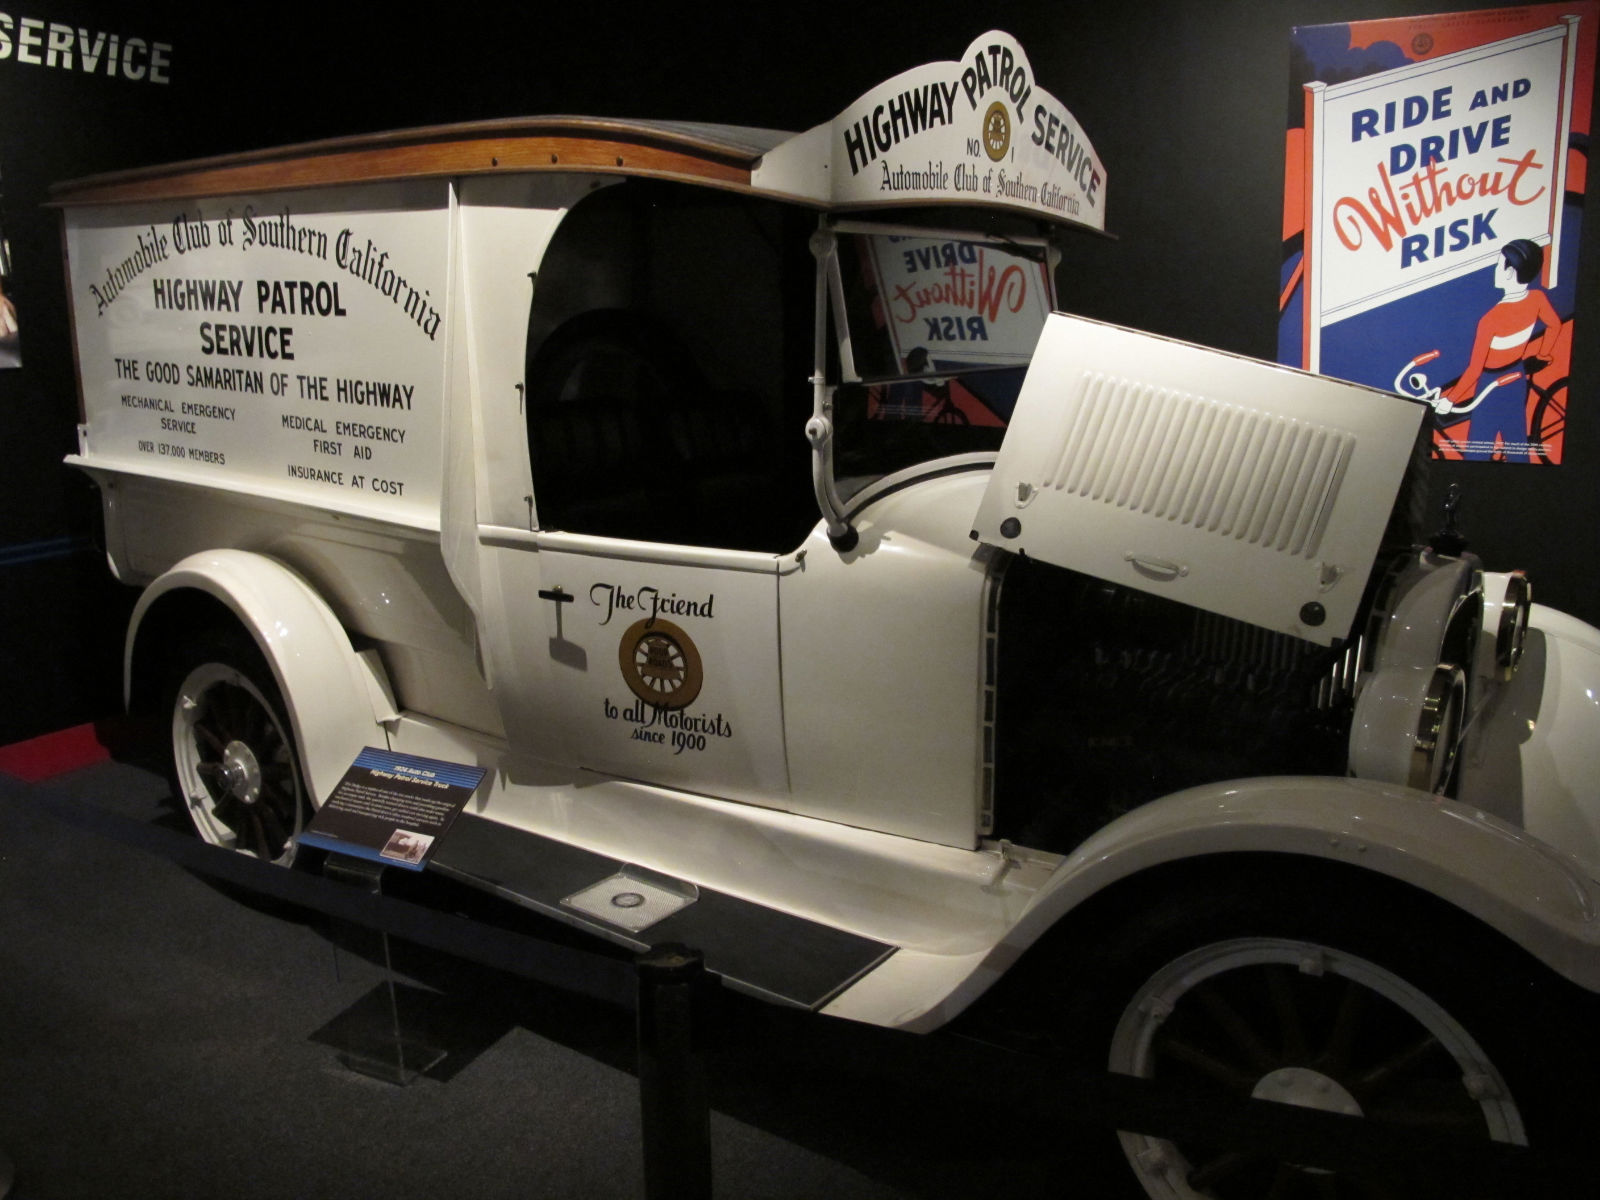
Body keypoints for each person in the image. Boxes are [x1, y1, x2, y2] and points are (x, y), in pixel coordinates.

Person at [1443, 239, 1561, 462]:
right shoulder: (1537, 298)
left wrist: (1451, 399)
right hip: (1517, 376)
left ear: (1510, 272)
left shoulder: (1490, 320)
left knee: (1478, 449)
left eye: (1499, 265)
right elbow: (1555, 325)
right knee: (1517, 445)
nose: (1496, 270)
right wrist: (1543, 356)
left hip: (1491, 383)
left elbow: (1475, 369)